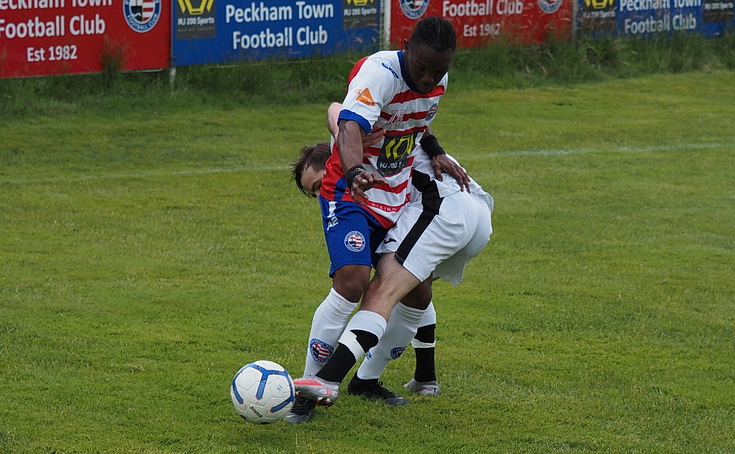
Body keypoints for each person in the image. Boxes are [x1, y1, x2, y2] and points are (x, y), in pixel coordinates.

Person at [285, 16, 464, 423]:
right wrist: (353, 173)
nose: (428, 76)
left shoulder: (439, 80)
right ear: (406, 47)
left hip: (396, 199)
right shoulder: (378, 72)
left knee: (417, 293)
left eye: (438, 69)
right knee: (353, 281)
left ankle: (366, 379)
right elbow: (348, 126)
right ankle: (308, 391)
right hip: (349, 192)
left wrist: (433, 148)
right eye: (421, 67)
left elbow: (416, 122)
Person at [293, 137, 494, 408]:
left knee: (380, 291)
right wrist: (435, 147)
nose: (321, 196)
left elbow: (336, 110)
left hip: (444, 207)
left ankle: (323, 382)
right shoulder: (398, 141)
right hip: (472, 209)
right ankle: (403, 378)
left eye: (319, 186)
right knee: (414, 289)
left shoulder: (361, 151)